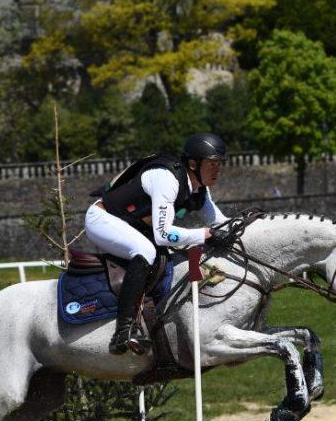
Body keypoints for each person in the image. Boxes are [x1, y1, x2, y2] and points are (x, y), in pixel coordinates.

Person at [85, 133, 231, 355]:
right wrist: (205, 235)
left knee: (162, 256)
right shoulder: (167, 179)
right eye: (212, 164)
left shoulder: (199, 189)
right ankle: (122, 332)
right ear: (193, 164)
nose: (218, 170)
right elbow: (163, 234)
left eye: (219, 164)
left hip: (133, 225)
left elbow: (219, 223)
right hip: (103, 219)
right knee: (145, 251)